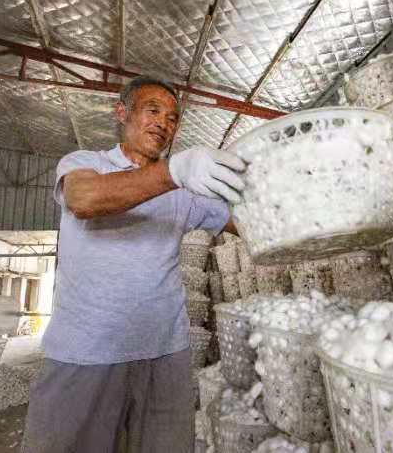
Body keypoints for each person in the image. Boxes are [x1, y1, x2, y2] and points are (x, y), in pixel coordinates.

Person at [22, 76, 246, 453]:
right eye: (152, 110)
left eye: (173, 118)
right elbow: (85, 200)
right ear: (122, 113)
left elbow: (249, 223)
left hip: (164, 352)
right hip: (87, 353)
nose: (164, 122)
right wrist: (172, 172)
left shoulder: (183, 195)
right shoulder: (85, 163)